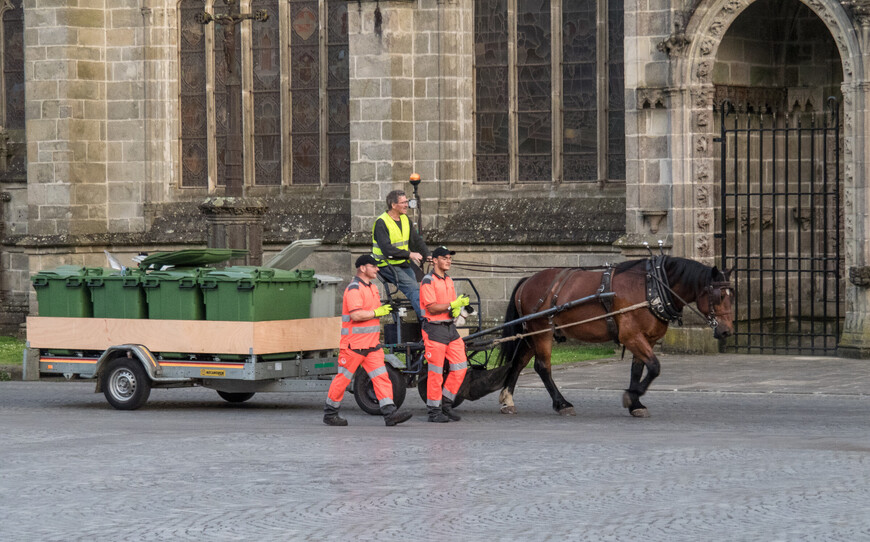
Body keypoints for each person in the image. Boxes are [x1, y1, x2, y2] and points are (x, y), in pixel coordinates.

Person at [323, 254, 413, 427]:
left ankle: (390, 413)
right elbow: (356, 315)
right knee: (342, 379)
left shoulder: (372, 288)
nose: (377, 269)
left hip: (371, 345)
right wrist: (378, 312)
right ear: (363, 268)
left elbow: (372, 310)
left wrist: (385, 308)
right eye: (374, 266)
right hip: (354, 346)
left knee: (382, 378)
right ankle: (330, 413)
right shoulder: (354, 288)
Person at [419, 246, 470, 423]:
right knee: (436, 372)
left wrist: (458, 310)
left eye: (449, 258)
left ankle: (446, 404)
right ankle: (434, 411)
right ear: (434, 260)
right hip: (434, 329)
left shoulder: (448, 280)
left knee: (461, 366)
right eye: (444, 258)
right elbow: (431, 307)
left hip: (449, 328)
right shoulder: (428, 280)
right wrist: (453, 304)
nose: (449, 261)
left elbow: (451, 306)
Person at [372, 189, 430, 319]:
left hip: (402, 262)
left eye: (407, 202)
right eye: (403, 202)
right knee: (414, 289)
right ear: (393, 205)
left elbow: (415, 241)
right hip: (386, 264)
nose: (406, 205)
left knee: (422, 288)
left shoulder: (405, 219)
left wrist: (427, 255)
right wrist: (410, 255)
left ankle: (427, 321)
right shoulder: (382, 222)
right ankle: (428, 324)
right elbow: (387, 250)